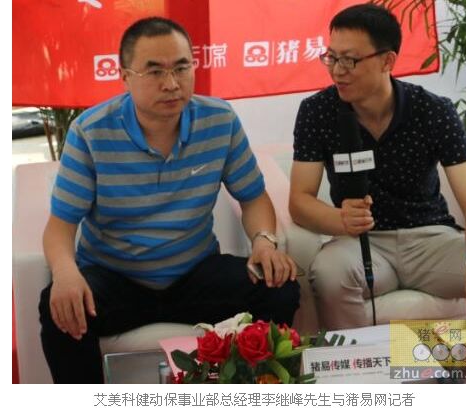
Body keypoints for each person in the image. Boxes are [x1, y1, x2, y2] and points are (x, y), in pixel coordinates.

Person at [39, 17, 299, 383]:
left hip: (195, 272)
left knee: (279, 288)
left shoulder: (219, 120)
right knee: (60, 309)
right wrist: (66, 273)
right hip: (115, 277)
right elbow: (60, 225)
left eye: (181, 67)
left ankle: (251, 391)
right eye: (155, 71)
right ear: (125, 76)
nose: (172, 83)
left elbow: (253, 197)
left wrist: (264, 242)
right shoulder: (91, 132)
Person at [289, 4, 466, 329]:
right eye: (332, 57)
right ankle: (360, 361)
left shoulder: (433, 110)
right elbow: (299, 201)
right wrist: (339, 219)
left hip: (430, 239)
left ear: (388, 61)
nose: (337, 70)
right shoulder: (318, 112)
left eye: (350, 60)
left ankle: (443, 357)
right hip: (359, 243)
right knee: (329, 274)